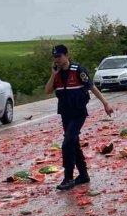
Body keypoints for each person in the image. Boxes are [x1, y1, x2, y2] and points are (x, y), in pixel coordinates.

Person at [44, 44, 114, 191]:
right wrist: (53, 75)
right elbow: (47, 91)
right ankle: (83, 175)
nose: (57, 59)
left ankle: (68, 178)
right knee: (73, 143)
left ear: (67, 55)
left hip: (78, 113)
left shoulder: (78, 70)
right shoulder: (56, 74)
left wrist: (105, 103)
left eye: (59, 56)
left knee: (67, 142)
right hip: (65, 113)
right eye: (55, 57)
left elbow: (92, 87)